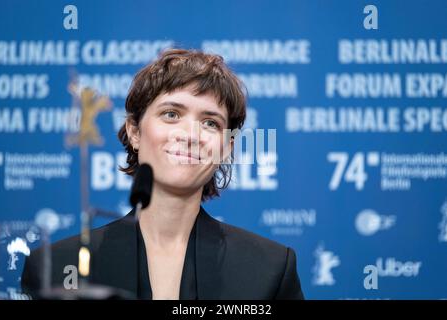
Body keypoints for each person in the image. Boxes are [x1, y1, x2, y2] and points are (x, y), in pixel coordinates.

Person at [22, 49, 304, 300]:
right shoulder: (56, 267)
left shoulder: (270, 269)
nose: (190, 135)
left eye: (210, 122)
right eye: (171, 114)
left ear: (226, 147)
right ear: (134, 131)